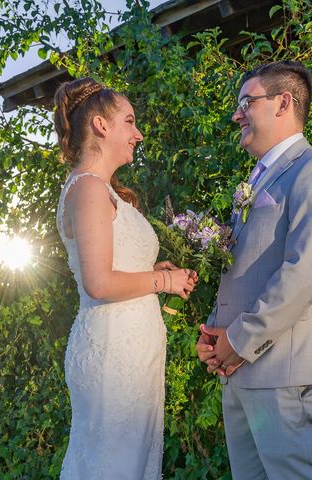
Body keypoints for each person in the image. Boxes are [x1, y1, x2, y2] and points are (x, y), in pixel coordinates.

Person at [196, 60, 312, 479]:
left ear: (284, 103)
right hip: (240, 369)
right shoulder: (254, 181)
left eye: (247, 102)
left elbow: (307, 272)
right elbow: (243, 268)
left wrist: (240, 339)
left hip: (286, 373)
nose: (236, 114)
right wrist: (215, 335)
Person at [53, 77, 196, 479]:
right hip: (112, 356)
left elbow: (112, 267)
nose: (138, 133)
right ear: (101, 125)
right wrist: (163, 284)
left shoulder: (103, 190)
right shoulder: (88, 189)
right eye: (129, 121)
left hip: (133, 354)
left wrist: (153, 272)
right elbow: (98, 282)